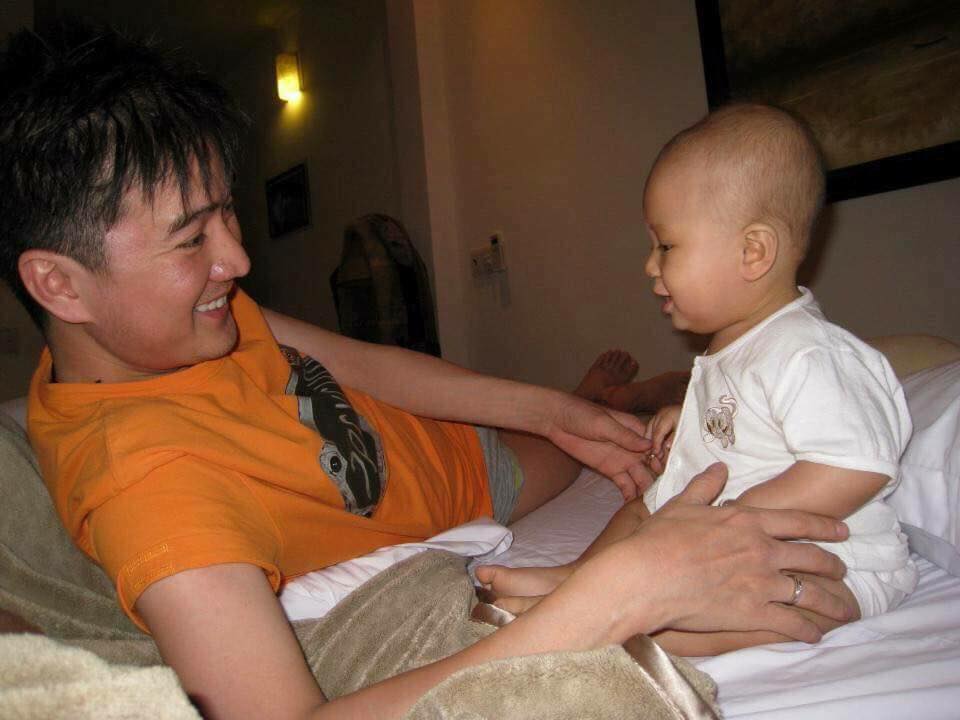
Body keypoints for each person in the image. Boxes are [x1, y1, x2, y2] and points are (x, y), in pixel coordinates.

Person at [0, 26, 856, 719]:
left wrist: (549, 409)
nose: (238, 258)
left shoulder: (189, 325)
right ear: (58, 284)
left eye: (227, 213)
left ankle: (599, 396)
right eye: (192, 238)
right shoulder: (145, 483)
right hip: (480, 488)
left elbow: (364, 362)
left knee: (593, 425)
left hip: (446, 444)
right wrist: (625, 590)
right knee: (608, 450)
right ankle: (617, 398)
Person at [477, 104, 917, 657]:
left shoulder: (808, 351)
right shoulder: (736, 349)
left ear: (752, 252)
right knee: (643, 507)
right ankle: (579, 580)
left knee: (753, 609)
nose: (649, 265)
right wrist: (688, 422)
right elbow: (748, 422)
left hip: (831, 565)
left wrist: (732, 520)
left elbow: (855, 465)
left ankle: (626, 631)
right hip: (713, 547)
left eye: (665, 246)